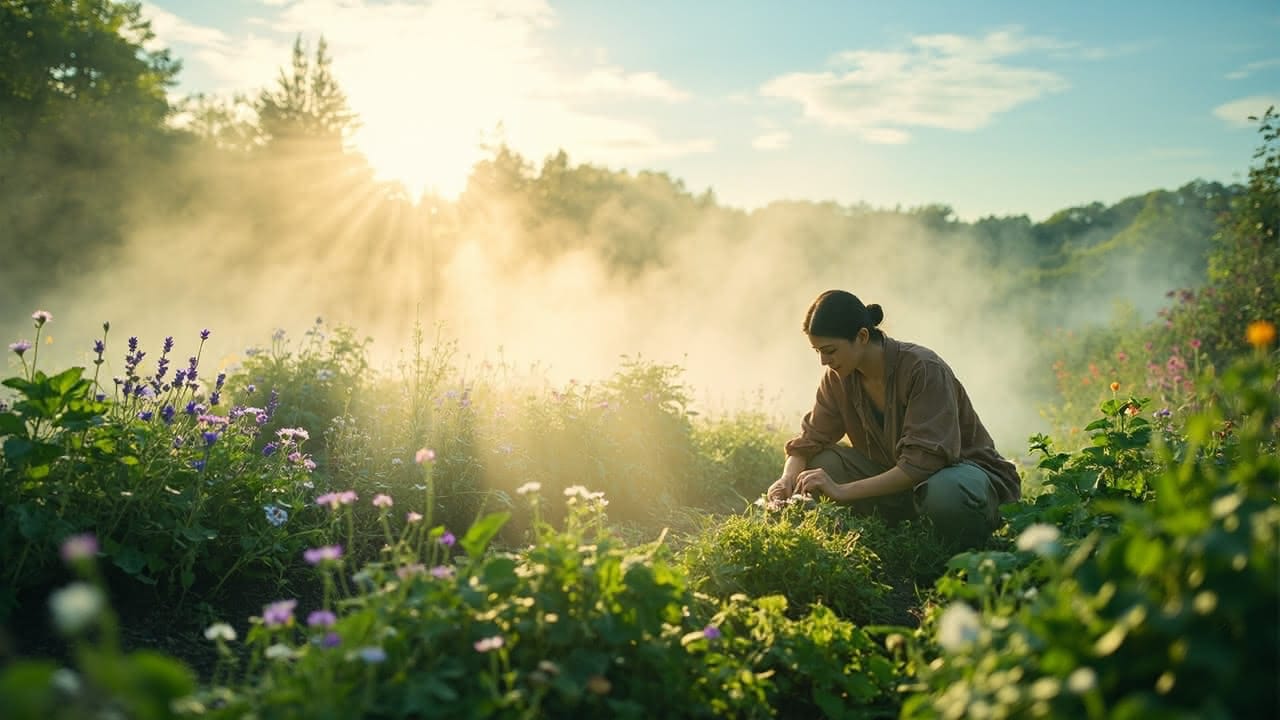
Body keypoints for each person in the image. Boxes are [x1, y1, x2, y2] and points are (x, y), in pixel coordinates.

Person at [767, 290, 1021, 547]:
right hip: (897, 479)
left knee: (945, 493)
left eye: (830, 350)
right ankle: (883, 533)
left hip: (956, 476)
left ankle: (962, 550)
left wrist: (841, 491)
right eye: (818, 352)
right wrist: (787, 478)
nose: (823, 361)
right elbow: (809, 440)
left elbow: (921, 465)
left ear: (862, 337)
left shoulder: (923, 369)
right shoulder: (838, 378)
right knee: (818, 466)